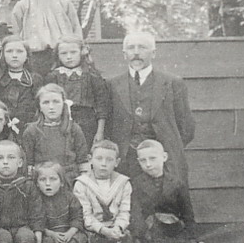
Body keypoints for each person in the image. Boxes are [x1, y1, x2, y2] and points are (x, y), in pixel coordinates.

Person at [106, 31, 195, 183]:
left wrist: (167, 150)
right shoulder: (112, 85)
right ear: (124, 54)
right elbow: (108, 125)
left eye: (142, 47)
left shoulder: (173, 83)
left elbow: (186, 127)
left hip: (166, 164)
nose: (136, 53)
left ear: (153, 53)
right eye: (131, 48)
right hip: (126, 165)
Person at [131, 139, 208, 243]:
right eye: (143, 160)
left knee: (180, 234)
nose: (148, 164)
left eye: (152, 158)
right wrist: (138, 236)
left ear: (164, 157)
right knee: (150, 231)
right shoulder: (136, 184)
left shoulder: (177, 183)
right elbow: (135, 212)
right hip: (148, 229)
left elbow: (187, 212)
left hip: (172, 227)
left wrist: (193, 238)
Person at [11, 0, 83, 77]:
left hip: (63, 56)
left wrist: (80, 49)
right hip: (34, 58)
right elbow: (16, 34)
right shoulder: (22, 6)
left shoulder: (64, 3)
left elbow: (76, 29)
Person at [35, 162, 97, 243]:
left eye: (53, 179)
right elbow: (37, 221)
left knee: (76, 242)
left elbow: (77, 217)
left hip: (71, 231)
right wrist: (51, 234)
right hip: (49, 233)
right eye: (42, 180)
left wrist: (70, 232)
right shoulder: (37, 200)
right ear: (37, 183)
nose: (48, 184)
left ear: (62, 182)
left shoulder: (69, 197)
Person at [44, 34, 110, 147]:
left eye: (73, 52)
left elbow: (102, 106)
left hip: (87, 124)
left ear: (81, 53)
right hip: (61, 122)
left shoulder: (92, 76)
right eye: (64, 53)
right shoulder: (53, 76)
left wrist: (100, 132)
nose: (69, 57)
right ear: (57, 55)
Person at [21, 83, 89, 183]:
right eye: (46, 102)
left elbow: (82, 161)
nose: (51, 107)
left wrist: (83, 183)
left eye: (56, 102)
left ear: (63, 104)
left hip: (70, 181)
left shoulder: (73, 129)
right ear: (39, 106)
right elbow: (29, 164)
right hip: (43, 182)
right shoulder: (32, 131)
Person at [0, 35, 44, 125]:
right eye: (9, 51)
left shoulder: (35, 80)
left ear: (27, 55)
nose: (14, 55)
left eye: (19, 51)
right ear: (3, 55)